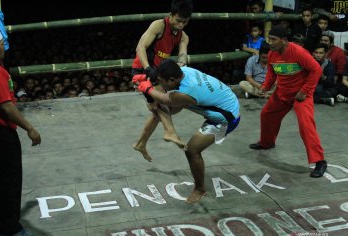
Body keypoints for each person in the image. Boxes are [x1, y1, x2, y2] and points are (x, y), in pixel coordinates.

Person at [136, 59, 240, 203]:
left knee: (192, 150)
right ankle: (145, 142)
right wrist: (149, 79)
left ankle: (200, 189)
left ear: (172, 79)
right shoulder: (183, 70)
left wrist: (147, 89)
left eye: (161, 81)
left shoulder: (187, 92)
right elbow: (164, 96)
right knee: (157, 107)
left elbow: (166, 99)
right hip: (223, 99)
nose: (160, 83)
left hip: (226, 118)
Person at [249, 25, 327, 178]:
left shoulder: (298, 52)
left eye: (274, 39)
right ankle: (267, 142)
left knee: (306, 126)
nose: (270, 42)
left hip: (301, 96)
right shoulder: (272, 54)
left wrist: (304, 91)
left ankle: (320, 162)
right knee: (266, 115)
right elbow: (272, 73)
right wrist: (265, 87)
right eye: (269, 39)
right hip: (282, 94)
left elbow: (316, 70)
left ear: (284, 41)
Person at [0, 27, 41, 236]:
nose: (4, 49)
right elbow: (7, 107)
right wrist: (30, 128)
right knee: (8, 180)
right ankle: (8, 229)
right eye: (1, 45)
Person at [131, 0, 193, 161]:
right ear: (171, 15)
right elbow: (140, 47)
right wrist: (147, 69)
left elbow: (182, 55)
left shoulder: (183, 36)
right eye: (178, 20)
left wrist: (181, 65)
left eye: (184, 22)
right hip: (142, 69)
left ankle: (140, 144)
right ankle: (170, 132)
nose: (181, 25)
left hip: (159, 73)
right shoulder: (159, 25)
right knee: (162, 103)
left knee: (160, 110)